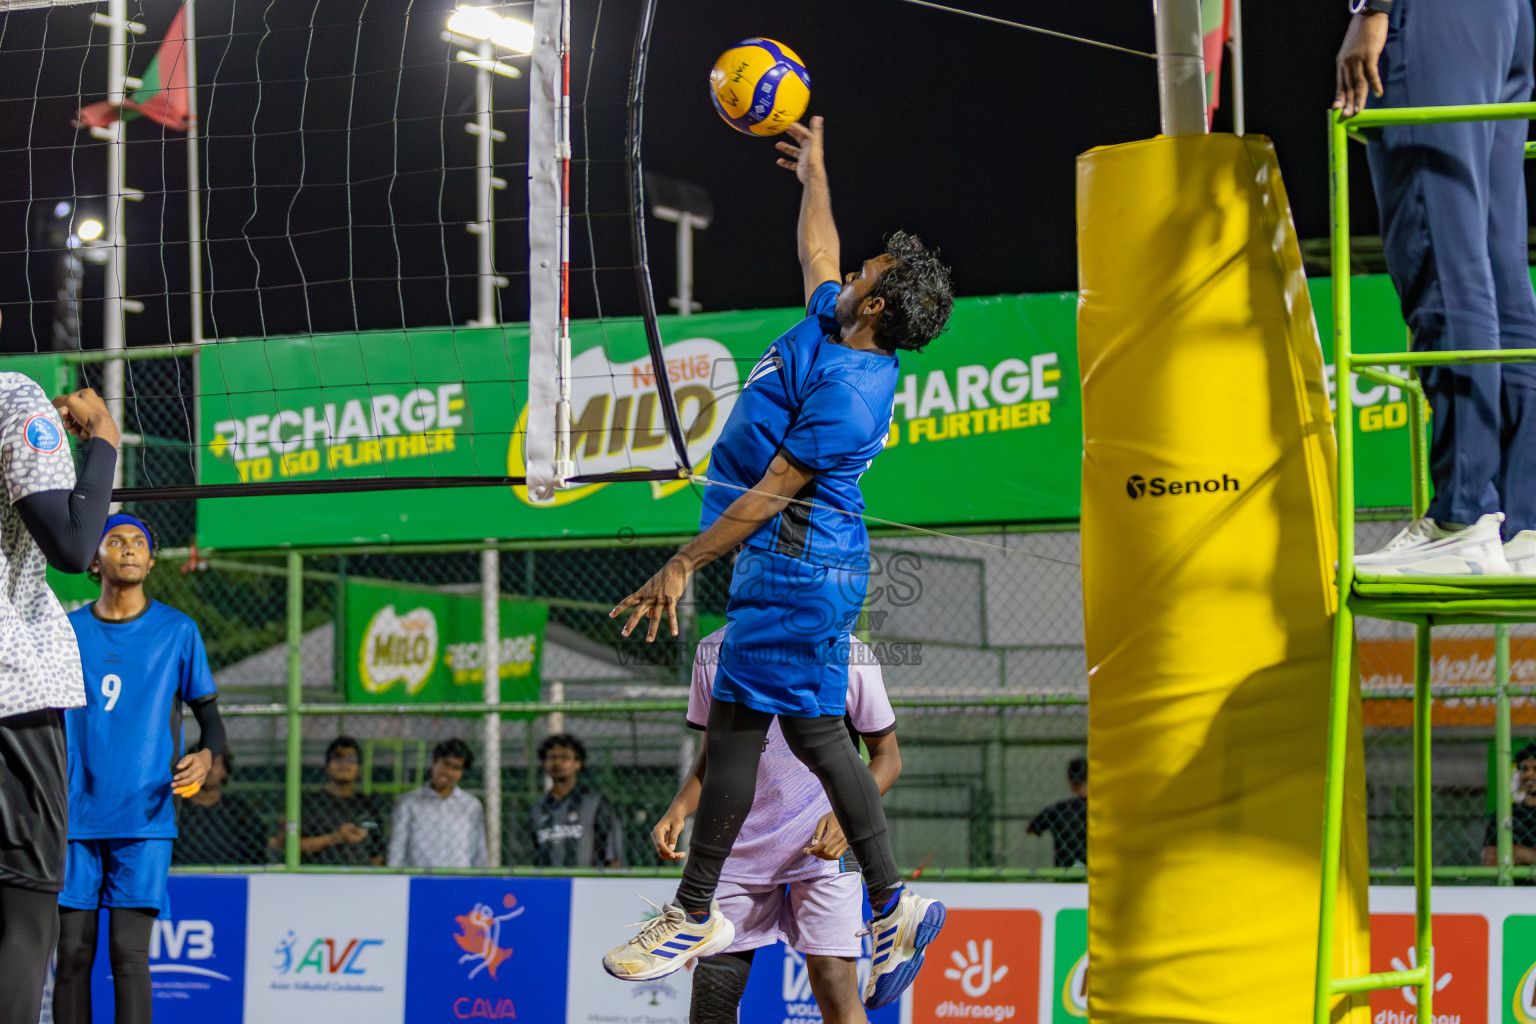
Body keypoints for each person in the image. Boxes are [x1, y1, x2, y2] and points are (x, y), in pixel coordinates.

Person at [604, 116, 953, 1009]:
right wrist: (815, 175)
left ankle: (703, 910)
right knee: (784, 734)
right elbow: (818, 249)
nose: (855, 268)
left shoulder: (848, 389)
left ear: (875, 304)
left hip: (801, 569)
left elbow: (771, 490)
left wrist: (681, 562)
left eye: (869, 271)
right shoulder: (832, 330)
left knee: (757, 733)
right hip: (786, 570)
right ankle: (886, 906)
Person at [1336, 0, 1536, 575]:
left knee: (1440, 248)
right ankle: (1521, 525)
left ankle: (1461, 516)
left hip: (1433, 13)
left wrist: (1372, 7)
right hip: (1505, 18)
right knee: (1498, 268)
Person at [653, 629, 901, 1024]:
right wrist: (679, 807)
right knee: (713, 993)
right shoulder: (713, 651)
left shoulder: (849, 651)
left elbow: (887, 757)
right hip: (738, 842)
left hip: (825, 846)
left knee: (836, 987)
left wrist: (845, 816)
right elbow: (714, 753)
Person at [54, 513, 227, 1024]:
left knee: (129, 958)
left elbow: (211, 722)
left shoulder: (178, 630)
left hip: (144, 818)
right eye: (115, 540)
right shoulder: (67, 632)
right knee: (72, 958)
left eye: (138, 543)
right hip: (72, 818)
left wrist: (206, 752)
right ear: (93, 560)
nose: (128, 549)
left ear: (151, 561)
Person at [0, 376, 118, 1024]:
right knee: (24, 914)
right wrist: (103, 440)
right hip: (11, 688)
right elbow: (75, 546)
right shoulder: (13, 396)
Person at [287, 736, 390, 866]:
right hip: (314, 875)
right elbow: (291, 845)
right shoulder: (308, 803)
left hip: (358, 878)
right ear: (327, 766)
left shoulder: (368, 805)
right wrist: (336, 838)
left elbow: (377, 854)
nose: (344, 764)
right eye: (338, 758)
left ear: (358, 769)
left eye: (351, 760)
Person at [388, 738, 489, 868]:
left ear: (461, 773)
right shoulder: (409, 803)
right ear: (434, 762)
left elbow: (479, 851)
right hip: (419, 880)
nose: (449, 772)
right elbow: (396, 851)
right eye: (446, 764)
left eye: (456, 768)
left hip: (459, 880)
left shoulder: (471, 805)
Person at [530, 733, 624, 868]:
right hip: (548, 884)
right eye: (551, 757)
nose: (557, 763)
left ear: (577, 763)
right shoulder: (538, 808)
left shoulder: (594, 803)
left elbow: (613, 855)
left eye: (564, 757)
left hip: (586, 884)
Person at [174, 747, 270, 866]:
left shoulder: (239, 809)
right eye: (201, 765)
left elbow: (257, 845)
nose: (208, 769)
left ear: (226, 770)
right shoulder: (175, 807)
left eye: (214, 764)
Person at [1482, 742, 1536, 873]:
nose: (1529, 774)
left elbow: (1505, 857)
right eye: (1524, 769)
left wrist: (1518, 852)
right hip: (1512, 890)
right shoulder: (1505, 814)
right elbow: (1489, 861)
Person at [1027, 757, 1088, 869]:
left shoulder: (1057, 810)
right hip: (1096, 875)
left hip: (1065, 875)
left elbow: (1031, 828)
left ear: (1069, 779)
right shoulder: (1103, 809)